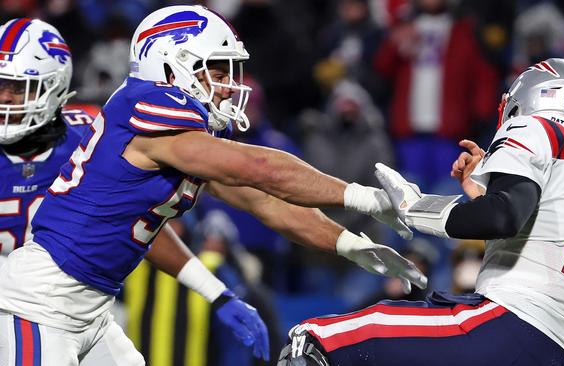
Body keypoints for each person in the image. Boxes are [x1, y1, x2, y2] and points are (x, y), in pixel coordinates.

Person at [0, 6, 427, 365]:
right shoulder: (147, 110)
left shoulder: (186, 140)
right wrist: (367, 198)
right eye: (216, 69)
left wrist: (349, 244)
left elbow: (264, 201)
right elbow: (261, 168)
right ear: (172, 64)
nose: (230, 83)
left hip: (90, 309)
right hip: (41, 305)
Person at [278, 58, 564, 366]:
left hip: (516, 325)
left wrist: (416, 208)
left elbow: (502, 217)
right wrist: (487, 192)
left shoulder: (540, 129)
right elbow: (553, 232)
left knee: (314, 341)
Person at [0, 17, 268, 366]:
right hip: (24, 305)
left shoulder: (95, 133)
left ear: (54, 86)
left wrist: (216, 292)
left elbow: (138, 224)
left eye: (18, 88)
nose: (5, 99)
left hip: (79, 306)